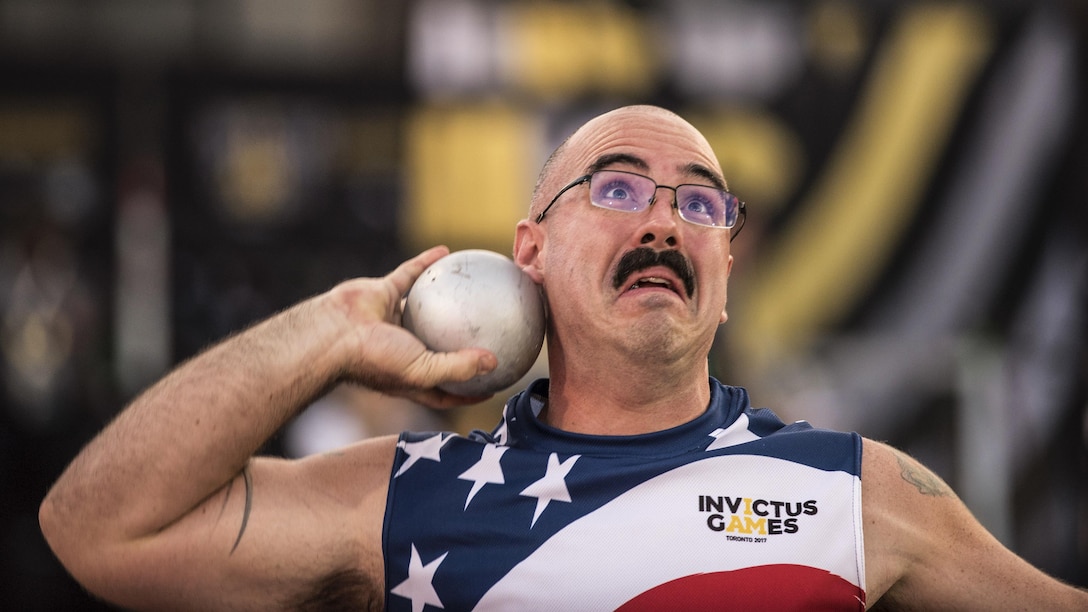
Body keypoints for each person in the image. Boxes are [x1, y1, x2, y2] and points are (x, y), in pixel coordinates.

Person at [40, 105, 1086, 610]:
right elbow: (96, 531)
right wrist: (325, 331)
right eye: (619, 188)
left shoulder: (857, 492)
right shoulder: (403, 501)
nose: (666, 220)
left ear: (722, 268)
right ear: (526, 253)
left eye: (700, 203)